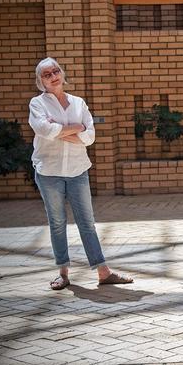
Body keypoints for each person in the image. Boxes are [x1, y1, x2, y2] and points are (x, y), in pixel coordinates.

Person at [28, 57, 133, 290]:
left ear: (62, 73)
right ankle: (63, 273)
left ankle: (103, 272)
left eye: (56, 71)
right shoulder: (37, 104)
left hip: (78, 170)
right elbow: (45, 129)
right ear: (41, 81)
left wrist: (61, 131)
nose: (54, 76)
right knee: (57, 223)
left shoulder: (78, 103)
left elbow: (90, 137)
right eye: (47, 74)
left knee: (87, 223)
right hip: (49, 172)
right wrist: (76, 128)